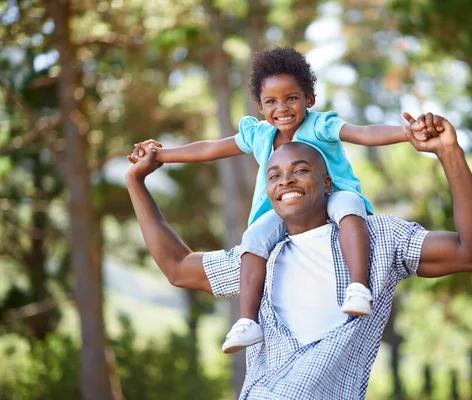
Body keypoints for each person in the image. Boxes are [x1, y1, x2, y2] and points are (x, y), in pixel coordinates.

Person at [126, 112, 472, 399]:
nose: (285, 180)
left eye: (299, 170)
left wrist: (449, 153)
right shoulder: (259, 259)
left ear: (326, 183)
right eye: (273, 176)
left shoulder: (379, 239)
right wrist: (136, 184)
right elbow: (177, 267)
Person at [131, 47, 434, 354]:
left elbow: (364, 133)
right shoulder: (259, 135)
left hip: (332, 194)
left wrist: (406, 133)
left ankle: (358, 286)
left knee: (349, 208)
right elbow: (210, 148)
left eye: (291, 98)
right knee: (254, 238)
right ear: (261, 107)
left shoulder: (320, 125)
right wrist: (161, 156)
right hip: (284, 209)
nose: (282, 108)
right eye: (271, 102)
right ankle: (248, 321)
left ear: (309, 100)